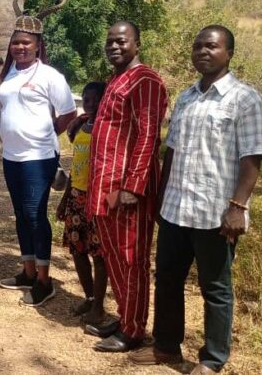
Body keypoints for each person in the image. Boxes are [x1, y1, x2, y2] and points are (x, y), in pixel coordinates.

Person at [130, 26, 262, 374]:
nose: (202, 52)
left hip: (216, 212)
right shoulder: (186, 98)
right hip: (177, 207)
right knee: (167, 279)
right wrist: (162, 197)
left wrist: (237, 207)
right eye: (197, 46)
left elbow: (252, 157)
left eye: (211, 46)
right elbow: (172, 151)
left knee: (216, 288)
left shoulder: (245, 98)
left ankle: (212, 359)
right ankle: (166, 347)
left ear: (229, 53)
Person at [86, 21, 168, 352]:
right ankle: (124, 316)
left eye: (121, 41)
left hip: (125, 191)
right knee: (115, 257)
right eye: (110, 42)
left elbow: (149, 135)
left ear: (137, 43)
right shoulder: (117, 79)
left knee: (131, 259)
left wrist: (133, 186)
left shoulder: (146, 80)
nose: (114, 47)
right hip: (104, 188)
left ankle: (134, 331)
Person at [0, 15, 77, 306]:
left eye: (26, 42)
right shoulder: (9, 74)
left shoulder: (49, 76)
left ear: (38, 45)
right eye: (15, 42)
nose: (20, 47)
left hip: (38, 157)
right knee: (20, 214)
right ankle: (28, 272)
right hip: (12, 156)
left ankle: (44, 281)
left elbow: (68, 114)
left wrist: (46, 133)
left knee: (34, 215)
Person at [57, 82, 108, 322]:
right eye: (86, 99)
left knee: (99, 254)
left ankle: (99, 306)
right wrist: (65, 199)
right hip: (76, 196)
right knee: (78, 250)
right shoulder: (78, 126)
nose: (89, 103)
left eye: (95, 99)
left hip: (97, 199)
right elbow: (75, 164)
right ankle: (88, 298)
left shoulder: (108, 128)